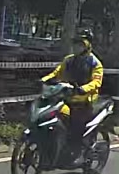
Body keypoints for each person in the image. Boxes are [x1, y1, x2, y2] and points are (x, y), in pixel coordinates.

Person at [40, 30, 104, 165]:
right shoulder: (68, 60)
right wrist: (44, 80)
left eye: (80, 44)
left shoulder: (95, 63)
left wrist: (83, 89)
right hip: (65, 98)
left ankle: (78, 153)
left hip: (84, 102)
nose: (76, 47)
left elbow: (96, 82)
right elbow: (56, 73)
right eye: (75, 44)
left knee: (76, 128)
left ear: (87, 46)